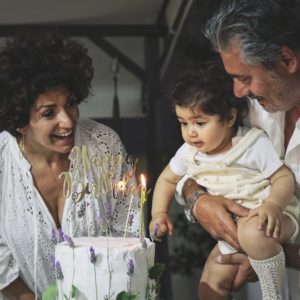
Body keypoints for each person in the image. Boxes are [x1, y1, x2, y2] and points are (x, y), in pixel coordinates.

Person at [0, 29, 140, 299]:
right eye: (49, 112)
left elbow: (128, 229)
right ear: (20, 121)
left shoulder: (104, 144)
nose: (68, 120)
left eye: (71, 103)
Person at [177, 0, 300, 299]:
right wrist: (197, 199)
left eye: (245, 78)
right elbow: (198, 159)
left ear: (286, 60)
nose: (237, 92)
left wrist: (266, 251)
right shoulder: (254, 108)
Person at [150, 64, 299, 299]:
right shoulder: (189, 152)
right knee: (210, 283)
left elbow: (283, 177)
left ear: (229, 118)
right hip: (233, 231)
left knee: (253, 233)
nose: (190, 133)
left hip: (273, 218)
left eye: (199, 123)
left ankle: (276, 295)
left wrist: (272, 206)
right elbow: (167, 179)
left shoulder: (251, 144)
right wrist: (159, 213)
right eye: (183, 123)